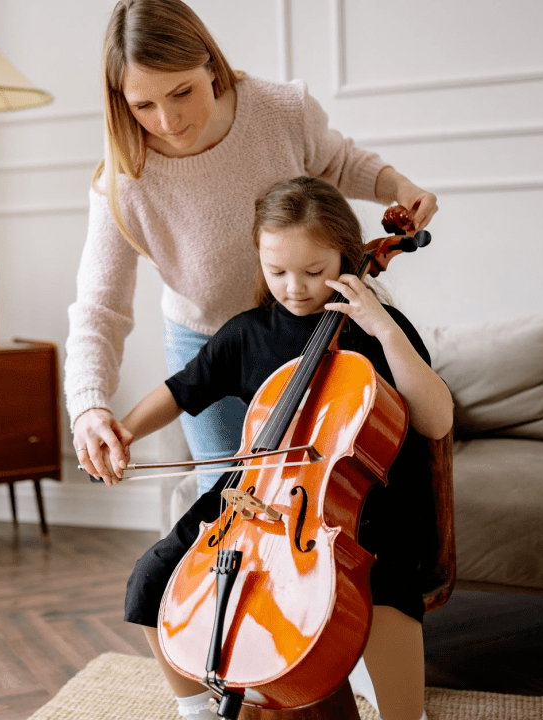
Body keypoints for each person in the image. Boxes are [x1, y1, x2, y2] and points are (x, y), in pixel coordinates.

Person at [102, 176, 454, 720]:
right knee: (154, 577)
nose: (295, 287)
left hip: (362, 499)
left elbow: (437, 419)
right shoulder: (248, 333)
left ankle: (405, 713)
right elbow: (180, 390)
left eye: (314, 271)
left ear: (345, 251)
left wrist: (384, 329)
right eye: (277, 271)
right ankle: (197, 709)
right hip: (258, 489)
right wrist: (123, 430)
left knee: (382, 583)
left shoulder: (375, 331)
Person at [66, 0, 438, 497]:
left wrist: (398, 184)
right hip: (208, 338)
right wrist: (90, 405)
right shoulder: (124, 180)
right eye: (143, 106)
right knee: (228, 502)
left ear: (211, 65)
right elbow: (99, 309)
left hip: (312, 322)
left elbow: (339, 162)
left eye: (182, 92)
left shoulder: (280, 110)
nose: (169, 120)